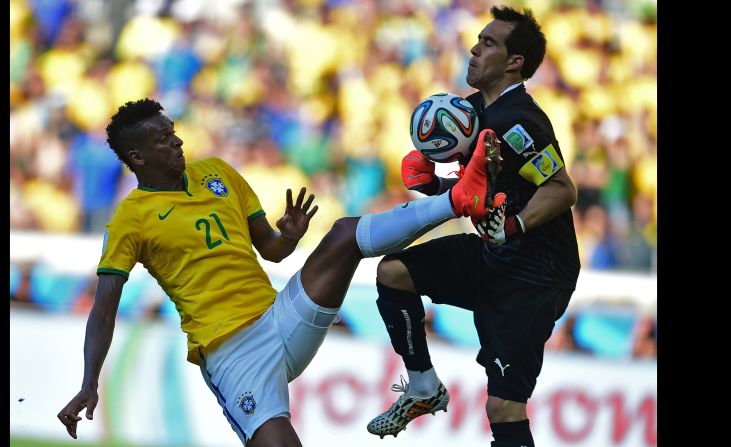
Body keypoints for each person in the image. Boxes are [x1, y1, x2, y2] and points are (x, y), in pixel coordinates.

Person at [56, 98, 502, 446]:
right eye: (162, 139)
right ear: (136, 156)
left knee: (344, 235)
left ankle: (459, 198)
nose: (176, 142)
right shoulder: (130, 219)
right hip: (233, 356)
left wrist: (288, 235)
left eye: (173, 132)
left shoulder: (217, 172)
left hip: (280, 316)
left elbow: (271, 250)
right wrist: (89, 382)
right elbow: (103, 310)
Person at [366, 6, 580, 447]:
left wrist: (515, 226)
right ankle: (423, 386)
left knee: (503, 407)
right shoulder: (467, 111)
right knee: (393, 273)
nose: (474, 48)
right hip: (494, 253)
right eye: (478, 40)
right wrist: (434, 185)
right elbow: (476, 191)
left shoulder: (520, 121)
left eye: (488, 43)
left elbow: (561, 189)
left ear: (514, 61)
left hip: (536, 274)